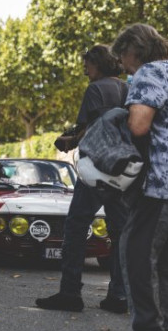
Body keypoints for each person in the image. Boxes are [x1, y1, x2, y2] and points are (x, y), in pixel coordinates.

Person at [102, 24, 168, 331]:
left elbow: (139, 125)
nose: (124, 66)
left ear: (137, 50)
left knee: (135, 255)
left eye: (124, 58)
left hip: (160, 183)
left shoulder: (150, 72)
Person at [36, 45, 129, 314]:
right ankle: (119, 296)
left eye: (87, 64)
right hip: (122, 170)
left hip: (97, 167)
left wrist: (69, 140)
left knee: (76, 227)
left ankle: (70, 293)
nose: (84, 69)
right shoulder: (126, 88)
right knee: (120, 232)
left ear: (98, 63)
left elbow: (92, 128)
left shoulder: (96, 88)